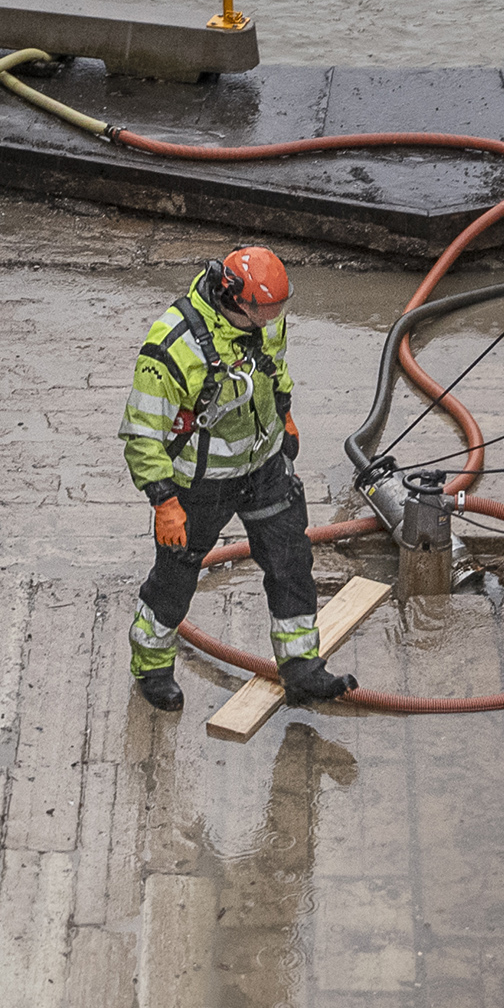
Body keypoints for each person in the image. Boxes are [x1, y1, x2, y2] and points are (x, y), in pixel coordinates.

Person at [122, 245, 359, 715]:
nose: (275, 320)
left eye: (279, 310)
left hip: (265, 468)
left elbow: (276, 371)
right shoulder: (172, 345)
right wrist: (163, 499)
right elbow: (141, 430)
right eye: (266, 311)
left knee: (291, 562)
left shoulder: (265, 322)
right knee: (175, 579)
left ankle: (301, 668)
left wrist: (285, 416)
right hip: (200, 483)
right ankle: (151, 664)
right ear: (236, 300)